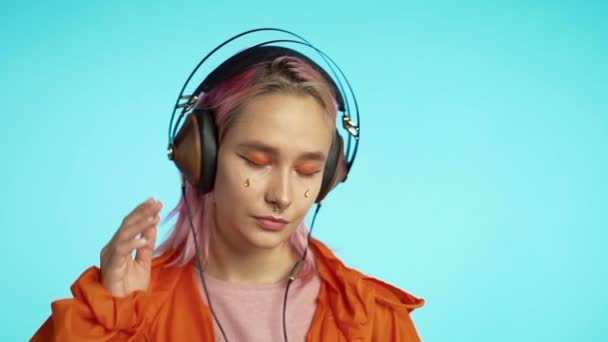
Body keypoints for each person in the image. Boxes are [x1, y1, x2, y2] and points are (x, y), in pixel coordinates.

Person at [31, 33, 424, 342]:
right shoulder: (131, 311)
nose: (282, 196)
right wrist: (109, 317)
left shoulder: (373, 320)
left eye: (307, 170)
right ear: (202, 157)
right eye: (257, 162)